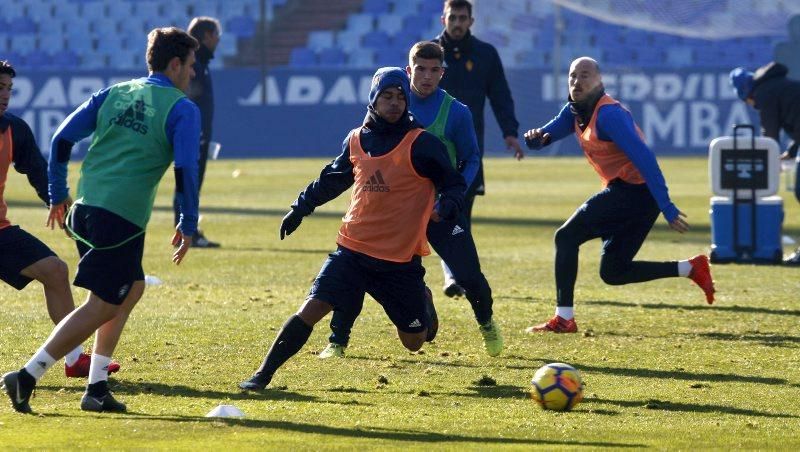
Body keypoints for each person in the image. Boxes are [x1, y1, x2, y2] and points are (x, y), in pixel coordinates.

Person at [2, 27, 200, 414]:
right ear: (175, 64)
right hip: (121, 217)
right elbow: (187, 170)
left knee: (132, 288)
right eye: (191, 66)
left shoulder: (115, 93)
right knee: (102, 303)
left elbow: (61, 139)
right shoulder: (182, 109)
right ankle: (27, 375)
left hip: (86, 211)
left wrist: (59, 193)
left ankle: (96, 387)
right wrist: (187, 221)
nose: (193, 74)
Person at [238, 67, 465, 391]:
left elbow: (453, 184)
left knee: (414, 342)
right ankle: (262, 375)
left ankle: (424, 303)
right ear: (373, 98)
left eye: (401, 96)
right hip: (353, 250)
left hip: (399, 263)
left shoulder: (423, 143)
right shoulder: (357, 139)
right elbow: (331, 179)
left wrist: (449, 204)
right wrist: (300, 208)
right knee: (311, 307)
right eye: (387, 96)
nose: (395, 103)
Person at [318, 42, 503, 359]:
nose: (427, 76)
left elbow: (471, 160)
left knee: (469, 275)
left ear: (443, 73)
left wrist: (450, 200)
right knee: (356, 266)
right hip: (394, 214)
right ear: (409, 70)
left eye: (434, 70)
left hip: (437, 211)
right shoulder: (390, 103)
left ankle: (486, 323)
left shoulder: (456, 113)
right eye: (421, 69)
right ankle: (338, 340)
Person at [522, 57, 716, 334]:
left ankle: (564, 319)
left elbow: (646, 159)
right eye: (572, 76)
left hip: (636, 193)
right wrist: (535, 139)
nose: (577, 81)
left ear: (599, 81)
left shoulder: (610, 115)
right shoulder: (574, 111)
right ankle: (691, 268)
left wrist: (667, 207)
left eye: (585, 75)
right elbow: (547, 134)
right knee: (613, 272)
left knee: (565, 237)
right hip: (632, 196)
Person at [0, 60, 120, 379]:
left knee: (55, 270)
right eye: (0, 88)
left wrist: (63, 212)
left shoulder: (14, 129)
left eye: (9, 89)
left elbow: (39, 174)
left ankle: (74, 358)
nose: (5, 95)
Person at [434, 0, 524, 296]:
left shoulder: (485, 55)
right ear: (443, 19)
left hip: (469, 152)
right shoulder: (430, 54)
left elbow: (500, 95)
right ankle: (452, 275)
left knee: (460, 213)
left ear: (471, 21)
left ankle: (456, 275)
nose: (457, 23)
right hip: (431, 150)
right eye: (453, 17)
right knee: (436, 213)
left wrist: (510, 132)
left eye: (462, 18)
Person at [729, 62, 800, 264]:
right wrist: (791, 151)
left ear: (746, 93)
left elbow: (770, 135)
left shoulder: (764, 93)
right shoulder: (779, 85)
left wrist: (767, 162)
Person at [173, 16, 221, 248]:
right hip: (195, 135)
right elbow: (190, 100)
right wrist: (197, 132)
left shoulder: (201, 65)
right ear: (205, 36)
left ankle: (186, 230)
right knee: (188, 182)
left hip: (199, 134)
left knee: (191, 182)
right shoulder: (194, 66)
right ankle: (185, 231)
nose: (218, 40)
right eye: (215, 35)